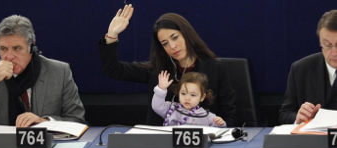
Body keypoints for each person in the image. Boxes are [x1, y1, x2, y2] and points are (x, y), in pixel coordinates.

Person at [99, 4, 237, 127]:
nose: (172, 46)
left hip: (205, 143)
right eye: (165, 43)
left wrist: (220, 129)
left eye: (175, 37)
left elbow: (230, 115)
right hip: (161, 143)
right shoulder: (156, 70)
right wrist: (112, 35)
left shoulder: (215, 68)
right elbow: (113, 70)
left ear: (186, 34)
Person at [0, 15, 86, 129]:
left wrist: (44, 122)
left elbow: (77, 120)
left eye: (17, 48)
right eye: (3, 49)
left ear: (31, 47)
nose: (9, 56)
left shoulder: (60, 72)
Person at [153, 71, 226, 127]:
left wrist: (220, 123)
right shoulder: (171, 108)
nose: (187, 98)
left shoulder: (207, 116)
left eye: (193, 95)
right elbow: (157, 106)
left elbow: (219, 131)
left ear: (202, 97)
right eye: (183, 93)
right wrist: (161, 89)